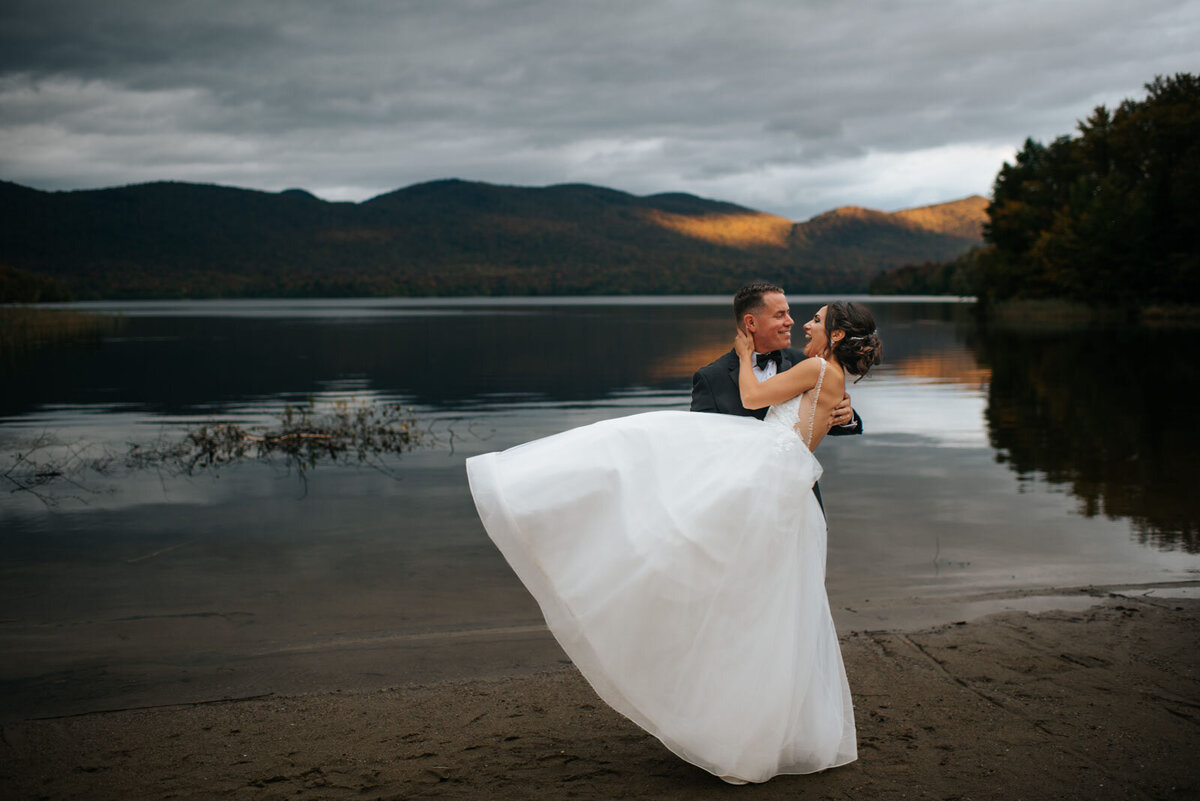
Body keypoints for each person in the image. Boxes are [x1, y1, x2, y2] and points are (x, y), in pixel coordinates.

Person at [465, 299, 882, 784]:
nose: (802, 322)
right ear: (752, 321)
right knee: (773, 613)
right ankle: (764, 728)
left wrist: (747, 360)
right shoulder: (777, 373)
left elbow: (754, 399)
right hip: (774, 493)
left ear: (834, 337)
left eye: (813, 318)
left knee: (635, 445)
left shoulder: (809, 365)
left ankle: (736, 728)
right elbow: (756, 418)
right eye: (789, 315)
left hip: (766, 492)